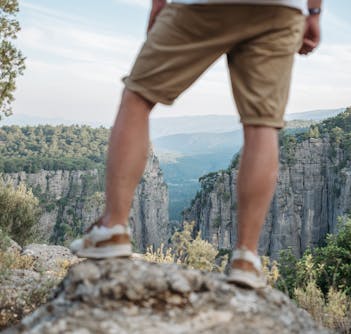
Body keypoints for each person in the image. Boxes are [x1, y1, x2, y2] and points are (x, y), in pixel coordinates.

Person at [70, 0, 322, 289]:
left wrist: (159, 5)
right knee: (262, 124)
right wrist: (313, 13)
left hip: (201, 5)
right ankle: (247, 259)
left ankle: (113, 228)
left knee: (138, 97)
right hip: (281, 9)